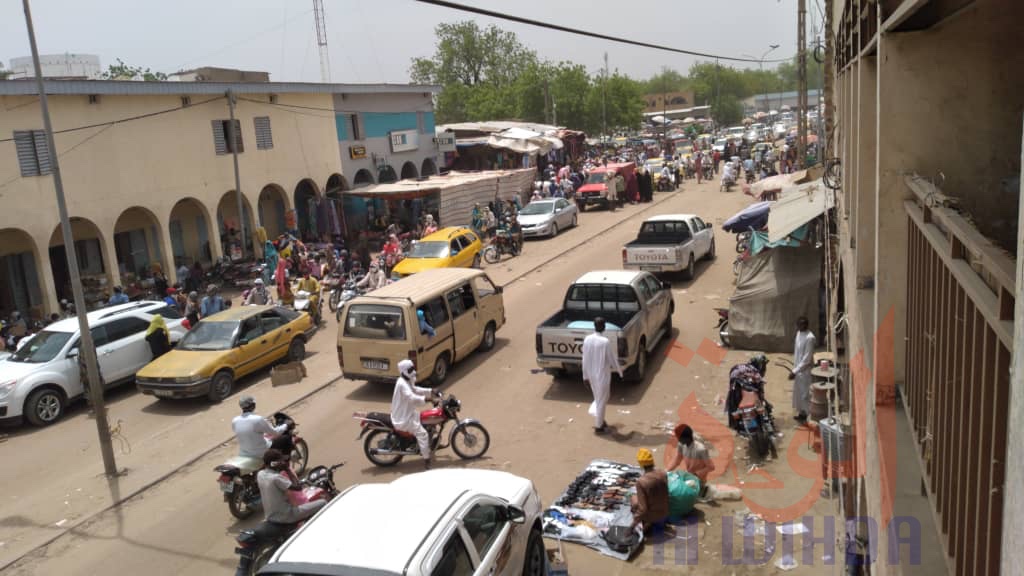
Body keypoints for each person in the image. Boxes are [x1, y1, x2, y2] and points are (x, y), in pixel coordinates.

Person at [256, 448, 327, 525]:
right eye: (281, 461)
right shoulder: (276, 478)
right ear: (274, 463)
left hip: (270, 515)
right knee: (323, 502)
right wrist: (287, 469)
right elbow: (298, 487)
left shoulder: (260, 474)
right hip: (287, 515)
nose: (283, 462)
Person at [390, 359, 437, 469]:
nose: (413, 371)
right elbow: (411, 397)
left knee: (426, 419)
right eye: (410, 369)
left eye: (412, 368)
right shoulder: (402, 384)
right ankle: (427, 460)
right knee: (423, 434)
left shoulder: (406, 380)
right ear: (404, 371)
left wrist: (431, 390)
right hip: (403, 418)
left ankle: (426, 445)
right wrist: (428, 399)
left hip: (407, 413)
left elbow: (415, 389)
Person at [581, 317, 623, 434]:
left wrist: (585, 376)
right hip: (602, 376)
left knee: (600, 398)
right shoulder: (605, 342)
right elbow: (612, 359)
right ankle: (599, 426)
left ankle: (599, 417)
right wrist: (619, 371)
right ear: (604, 327)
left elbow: (584, 359)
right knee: (602, 399)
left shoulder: (587, 339)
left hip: (591, 375)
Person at [667, 424, 715, 496]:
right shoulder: (681, 445)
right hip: (688, 476)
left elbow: (711, 467)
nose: (678, 440)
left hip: (699, 481)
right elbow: (677, 460)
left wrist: (696, 474)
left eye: (678, 438)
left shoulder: (700, 449)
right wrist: (667, 472)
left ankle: (702, 490)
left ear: (685, 438)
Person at [630, 448, 669, 533]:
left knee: (633, 498)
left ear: (641, 465)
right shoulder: (663, 473)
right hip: (665, 511)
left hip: (652, 516)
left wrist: (632, 526)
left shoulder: (641, 482)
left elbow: (643, 509)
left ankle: (648, 523)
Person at [789, 316, 816, 423]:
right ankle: (802, 414)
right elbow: (797, 352)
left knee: (805, 394)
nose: (800, 326)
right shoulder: (799, 333)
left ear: (806, 325)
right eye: (799, 324)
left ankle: (809, 416)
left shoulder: (810, 338)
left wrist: (795, 371)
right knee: (799, 393)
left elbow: (807, 359)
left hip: (805, 372)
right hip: (798, 369)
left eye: (803, 324)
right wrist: (795, 369)